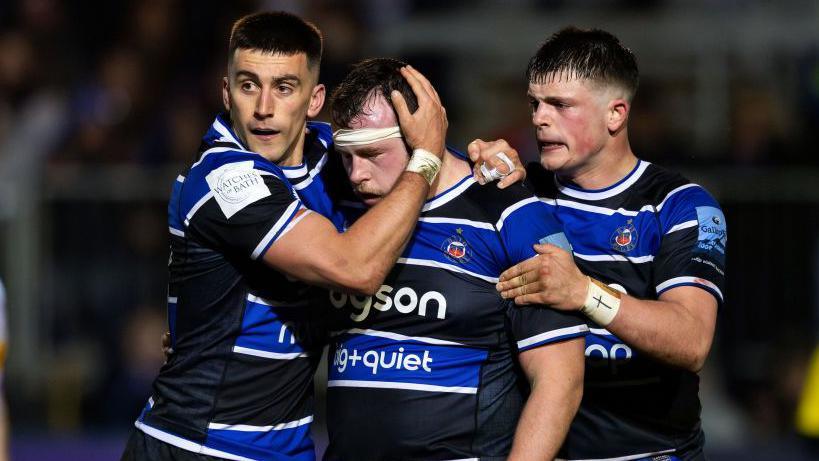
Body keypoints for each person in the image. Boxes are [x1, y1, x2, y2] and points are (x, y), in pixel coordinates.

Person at [122, 12, 448, 461]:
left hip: (286, 448)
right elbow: (354, 267)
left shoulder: (336, 159)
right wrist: (428, 159)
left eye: (284, 88)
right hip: (197, 445)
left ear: (314, 100)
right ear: (225, 92)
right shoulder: (224, 180)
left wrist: (485, 159)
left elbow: (416, 173)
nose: (263, 108)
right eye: (248, 84)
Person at [323, 57, 588, 461]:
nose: (357, 174)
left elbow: (559, 382)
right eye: (347, 156)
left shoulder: (510, 216)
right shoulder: (338, 204)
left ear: (420, 134)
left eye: (373, 153)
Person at [482, 28, 727, 460]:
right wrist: (469, 169)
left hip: (651, 452)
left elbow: (692, 342)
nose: (540, 118)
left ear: (615, 114)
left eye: (560, 105)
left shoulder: (680, 206)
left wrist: (583, 292)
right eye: (534, 103)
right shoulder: (519, 194)